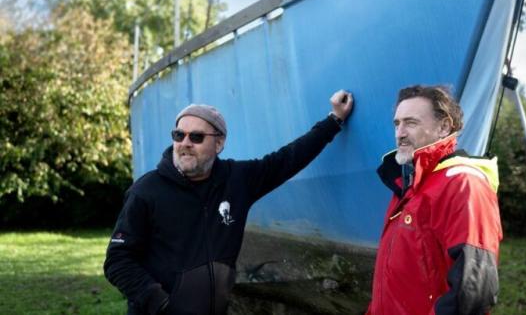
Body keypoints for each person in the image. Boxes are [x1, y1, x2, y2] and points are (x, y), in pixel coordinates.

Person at [104, 90, 353, 315]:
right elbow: (117, 261)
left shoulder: (238, 180)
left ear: (219, 143)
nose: (185, 143)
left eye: (197, 136)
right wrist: (160, 303)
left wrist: (334, 120)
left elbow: (288, 159)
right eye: (179, 135)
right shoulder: (146, 190)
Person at [366, 85, 502, 315]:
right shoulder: (409, 185)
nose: (400, 133)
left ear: (443, 127)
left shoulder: (463, 184)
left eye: (411, 122)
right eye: (397, 124)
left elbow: (473, 291)